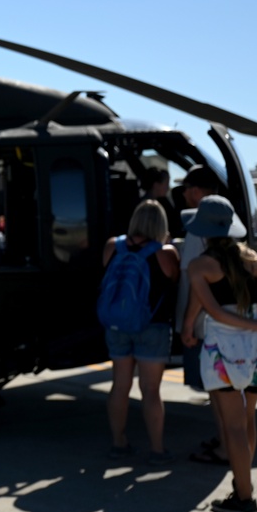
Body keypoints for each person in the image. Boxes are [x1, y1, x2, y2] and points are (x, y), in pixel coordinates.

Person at [181, 195, 257, 512]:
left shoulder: (200, 266)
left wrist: (186, 330)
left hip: (223, 354)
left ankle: (245, 499)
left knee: (232, 426)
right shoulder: (255, 261)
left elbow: (208, 310)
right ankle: (242, 488)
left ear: (204, 232)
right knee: (247, 420)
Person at [100, 199, 180, 465]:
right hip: (152, 327)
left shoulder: (113, 245)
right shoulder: (166, 253)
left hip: (117, 324)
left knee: (120, 386)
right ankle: (157, 450)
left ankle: (117, 443)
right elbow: (174, 282)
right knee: (150, 390)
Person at [173, 165, 230, 466]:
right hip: (226, 324)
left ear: (197, 191)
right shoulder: (233, 235)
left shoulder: (198, 230)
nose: (183, 193)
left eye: (187, 188)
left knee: (217, 391)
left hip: (205, 325)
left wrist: (187, 324)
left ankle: (224, 448)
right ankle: (226, 441)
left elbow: (195, 285)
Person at [140, 166, 181, 238]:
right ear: (156, 185)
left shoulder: (161, 202)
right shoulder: (149, 206)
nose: (168, 188)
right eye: (166, 184)